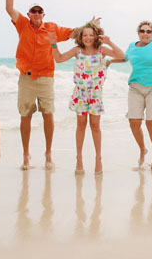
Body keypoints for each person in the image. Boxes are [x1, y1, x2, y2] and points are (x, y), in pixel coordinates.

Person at [5, 0, 76, 170]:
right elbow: (9, 8)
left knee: (48, 114)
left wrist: (90, 26)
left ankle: (48, 153)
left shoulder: (52, 28)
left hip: (46, 78)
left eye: (40, 12)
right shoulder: (22, 25)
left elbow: (73, 33)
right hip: (26, 78)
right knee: (25, 116)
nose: (36, 14)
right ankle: (26, 155)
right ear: (29, 14)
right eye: (33, 11)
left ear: (43, 15)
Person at [48, 22, 125, 174]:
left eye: (91, 35)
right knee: (81, 125)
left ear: (96, 36)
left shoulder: (102, 50)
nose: (88, 38)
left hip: (96, 94)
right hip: (80, 93)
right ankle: (79, 158)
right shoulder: (78, 50)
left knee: (95, 126)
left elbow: (122, 56)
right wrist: (53, 44)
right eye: (85, 35)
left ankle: (98, 159)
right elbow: (59, 59)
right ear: (80, 37)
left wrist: (110, 42)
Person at [108, 14, 152, 170]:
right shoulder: (132, 46)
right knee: (134, 122)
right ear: (138, 32)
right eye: (142, 31)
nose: (145, 33)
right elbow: (124, 58)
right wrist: (108, 61)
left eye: (148, 31)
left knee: (151, 123)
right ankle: (142, 149)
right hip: (135, 87)